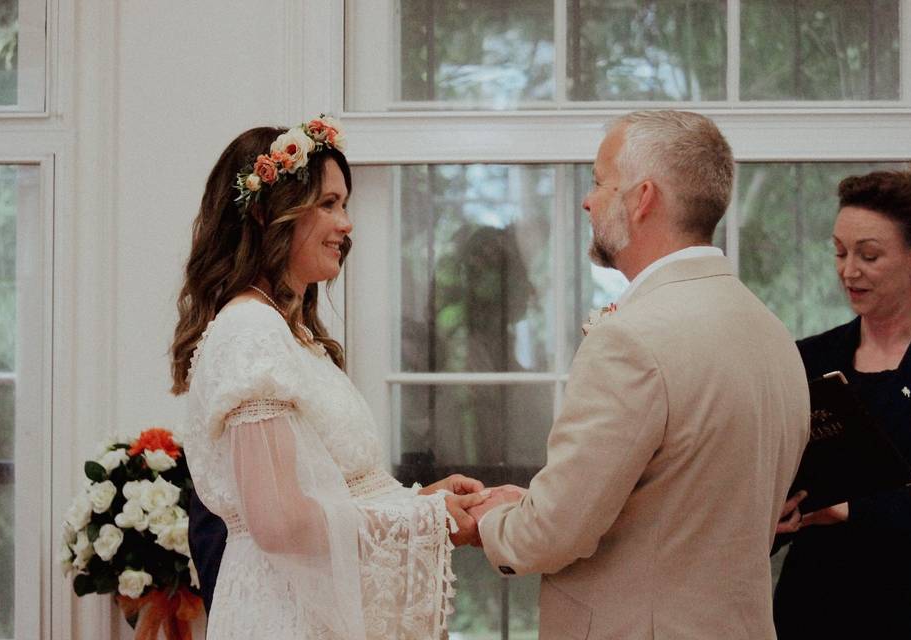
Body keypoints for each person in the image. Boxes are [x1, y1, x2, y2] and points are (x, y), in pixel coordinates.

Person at [467, 110, 811, 639]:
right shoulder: (771, 331)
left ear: (642, 197)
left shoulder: (632, 338)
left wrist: (488, 520)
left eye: (600, 183)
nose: (588, 200)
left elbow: (552, 535)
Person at [170, 116, 488, 639]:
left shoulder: (291, 335)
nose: (347, 223)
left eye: (344, 204)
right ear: (272, 214)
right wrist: (429, 524)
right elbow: (280, 524)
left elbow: (327, 495)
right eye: (328, 204)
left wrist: (423, 501)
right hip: (284, 615)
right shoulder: (250, 329)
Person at [773, 169, 911, 639]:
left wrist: (850, 510)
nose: (849, 271)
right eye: (840, 252)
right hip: (813, 609)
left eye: (869, 255)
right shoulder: (807, 358)